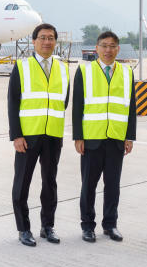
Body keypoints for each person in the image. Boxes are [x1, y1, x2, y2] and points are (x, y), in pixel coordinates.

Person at [8, 23, 69, 247]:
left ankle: (47, 226)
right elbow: (13, 103)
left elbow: (64, 101)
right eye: (42, 38)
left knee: (50, 183)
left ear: (55, 41)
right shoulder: (22, 67)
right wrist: (17, 135)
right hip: (28, 136)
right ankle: (23, 229)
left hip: (53, 135)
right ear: (34, 42)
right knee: (22, 183)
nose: (47, 42)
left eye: (51, 38)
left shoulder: (62, 68)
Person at [72, 30, 136, 243]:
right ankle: (87, 225)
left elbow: (131, 107)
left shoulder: (127, 73)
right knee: (88, 186)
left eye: (112, 46)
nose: (108, 50)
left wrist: (129, 136)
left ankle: (110, 224)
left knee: (113, 185)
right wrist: (78, 137)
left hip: (116, 138)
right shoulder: (84, 71)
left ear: (118, 49)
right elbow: (77, 106)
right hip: (92, 138)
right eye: (104, 46)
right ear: (97, 48)